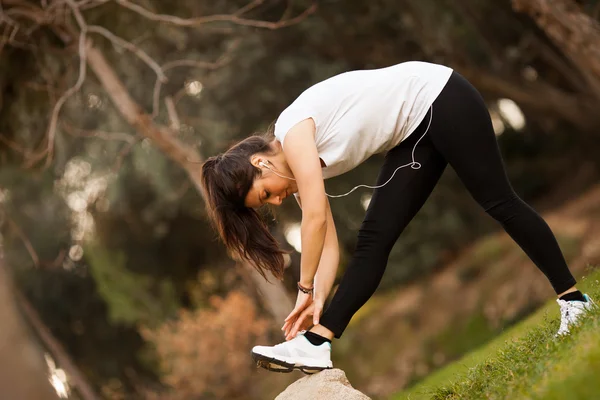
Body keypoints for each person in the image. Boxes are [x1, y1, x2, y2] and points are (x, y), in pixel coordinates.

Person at [200, 61, 596, 374]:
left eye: (266, 193)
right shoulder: (299, 169)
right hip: (415, 131)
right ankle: (318, 343)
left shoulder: (293, 130)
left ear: (260, 161)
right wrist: (318, 296)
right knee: (374, 238)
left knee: (499, 202)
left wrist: (302, 289)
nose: (277, 201)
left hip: (441, 97)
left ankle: (574, 300)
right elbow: (329, 245)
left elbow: (316, 221)